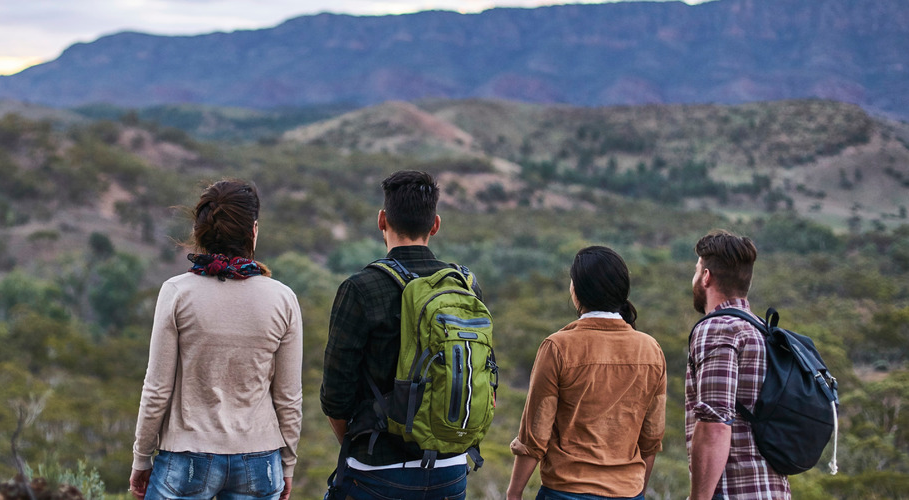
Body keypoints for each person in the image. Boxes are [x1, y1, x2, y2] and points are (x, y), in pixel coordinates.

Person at [128, 180, 303, 500]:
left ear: (201, 232)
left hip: (186, 456)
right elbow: (288, 398)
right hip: (260, 459)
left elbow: (156, 390)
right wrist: (287, 464)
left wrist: (142, 457)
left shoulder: (176, 293)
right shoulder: (283, 299)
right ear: (253, 231)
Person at [321, 170, 477, 499]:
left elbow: (335, 397)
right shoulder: (465, 285)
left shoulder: (360, 289)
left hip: (376, 470)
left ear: (382, 220)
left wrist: (358, 445)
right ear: (435, 224)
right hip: (452, 468)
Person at [506, 246, 666, 500]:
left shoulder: (558, 347)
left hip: (566, 491)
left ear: (577, 291)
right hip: (628, 491)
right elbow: (651, 438)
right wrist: (637, 491)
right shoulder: (651, 350)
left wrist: (513, 493)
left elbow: (534, 436)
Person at [686, 230, 789, 499]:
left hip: (734, 492)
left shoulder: (718, 328)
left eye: (697, 271)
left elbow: (715, 425)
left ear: (706, 277)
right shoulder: (762, 332)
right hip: (773, 490)